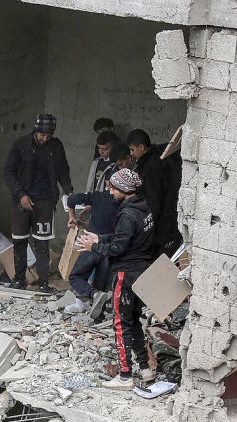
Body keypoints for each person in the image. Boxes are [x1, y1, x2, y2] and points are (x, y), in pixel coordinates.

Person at [77, 169, 156, 391]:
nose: (110, 191)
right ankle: (146, 369)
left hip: (125, 274)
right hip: (141, 272)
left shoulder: (127, 214)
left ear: (124, 189)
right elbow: (127, 237)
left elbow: (117, 248)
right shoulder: (143, 208)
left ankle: (125, 376)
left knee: (120, 324)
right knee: (134, 321)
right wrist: (100, 237)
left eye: (113, 187)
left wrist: (93, 246)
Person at [3, 113, 73, 293]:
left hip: (45, 202)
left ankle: (43, 283)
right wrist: (20, 195)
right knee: (19, 242)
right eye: (42, 135)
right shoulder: (21, 145)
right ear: (35, 131)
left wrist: (70, 193)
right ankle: (19, 280)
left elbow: (63, 171)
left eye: (49, 135)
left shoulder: (56, 146)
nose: (45, 138)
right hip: (21, 202)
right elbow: (8, 172)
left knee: (42, 244)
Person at [65, 173, 122, 311]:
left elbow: (71, 200)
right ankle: (99, 310)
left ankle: (93, 295)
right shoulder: (125, 204)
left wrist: (71, 217)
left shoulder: (97, 196)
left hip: (90, 244)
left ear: (107, 184)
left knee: (75, 276)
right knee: (100, 282)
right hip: (109, 247)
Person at [126, 129, 181, 257]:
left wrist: (147, 223)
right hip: (167, 217)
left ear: (141, 147)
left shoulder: (150, 168)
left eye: (132, 150)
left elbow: (153, 199)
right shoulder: (157, 156)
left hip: (160, 221)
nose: (131, 154)